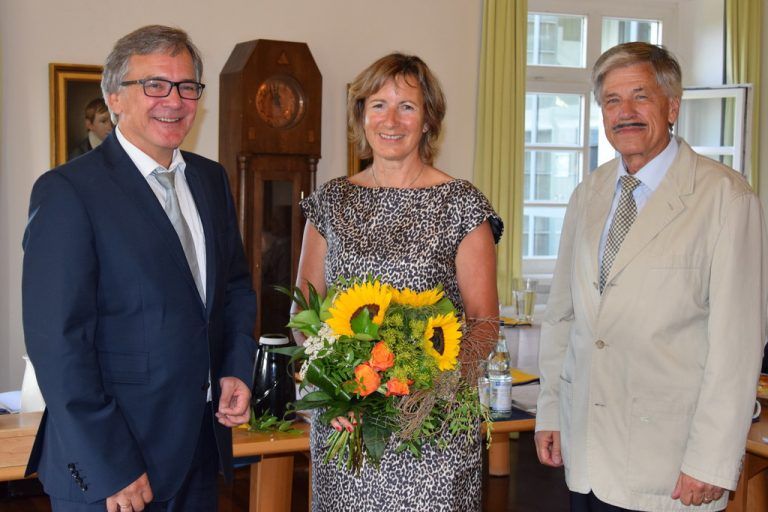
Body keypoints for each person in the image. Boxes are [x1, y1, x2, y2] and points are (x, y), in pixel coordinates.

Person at [22, 25, 256, 512]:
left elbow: (233, 288)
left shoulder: (211, 180)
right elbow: (59, 345)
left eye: (187, 86)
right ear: (114, 98)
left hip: (198, 449)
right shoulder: (68, 192)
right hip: (115, 467)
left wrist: (234, 368)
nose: (174, 100)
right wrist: (111, 463)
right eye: (154, 85)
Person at [535, 41, 768, 511]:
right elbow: (563, 316)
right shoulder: (590, 191)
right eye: (612, 101)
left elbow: (737, 344)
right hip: (587, 450)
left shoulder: (725, 198)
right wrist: (550, 411)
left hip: (672, 462)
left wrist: (712, 459)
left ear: (673, 105)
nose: (625, 113)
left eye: (640, 96)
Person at [295, 53, 502, 511]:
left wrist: (423, 384)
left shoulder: (462, 204)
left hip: (432, 430)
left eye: (407, 106)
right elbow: (304, 313)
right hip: (347, 425)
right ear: (361, 116)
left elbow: (484, 323)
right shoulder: (331, 201)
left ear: (428, 120)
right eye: (378, 105)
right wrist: (338, 387)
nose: (391, 120)